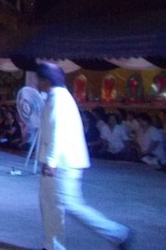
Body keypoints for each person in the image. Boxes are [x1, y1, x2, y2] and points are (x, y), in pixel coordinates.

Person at [36, 62, 132, 250]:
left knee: (70, 205)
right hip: (58, 162)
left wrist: (51, 162)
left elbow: (58, 132)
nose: (37, 84)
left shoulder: (59, 99)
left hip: (63, 163)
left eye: (39, 80)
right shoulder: (55, 97)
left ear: (47, 80)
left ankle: (118, 233)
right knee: (49, 204)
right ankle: (52, 245)